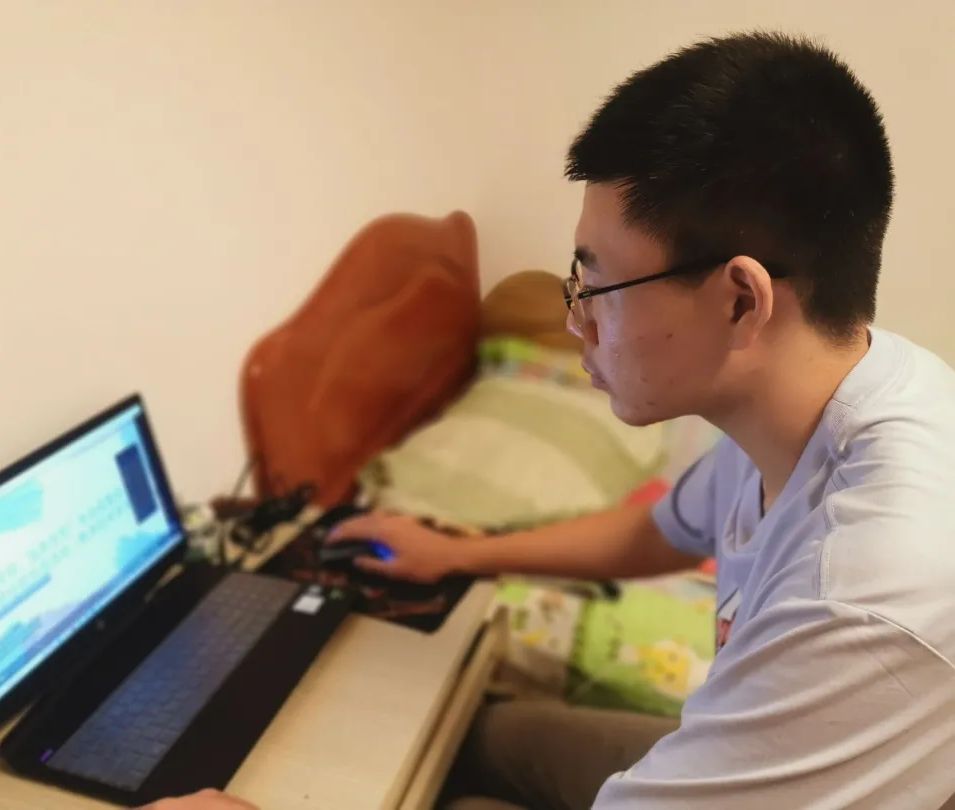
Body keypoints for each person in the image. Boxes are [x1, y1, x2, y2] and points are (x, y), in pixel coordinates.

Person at [145, 30, 955, 810]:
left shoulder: (862, 597)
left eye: (598, 288)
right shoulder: (831, 387)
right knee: (475, 740)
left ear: (741, 301)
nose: (576, 321)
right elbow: (666, 530)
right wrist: (460, 552)